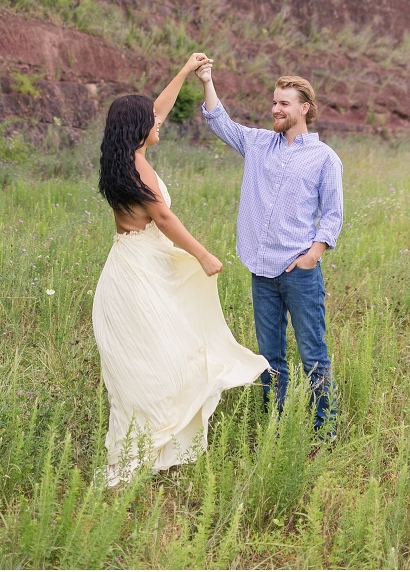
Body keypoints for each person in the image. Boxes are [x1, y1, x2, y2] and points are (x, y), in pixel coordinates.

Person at [92, 52, 268, 486]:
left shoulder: (123, 159)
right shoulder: (140, 171)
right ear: (139, 131)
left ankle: (153, 445)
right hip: (139, 275)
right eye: (151, 120)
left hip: (129, 265)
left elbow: (156, 109)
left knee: (153, 356)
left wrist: (187, 72)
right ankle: (147, 446)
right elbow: (166, 221)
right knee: (162, 356)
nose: (159, 122)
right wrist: (205, 255)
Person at [197, 63, 343, 435]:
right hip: (260, 270)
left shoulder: (325, 158)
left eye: (284, 103)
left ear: (304, 108)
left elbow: (332, 214)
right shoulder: (259, 143)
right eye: (274, 102)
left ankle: (324, 430)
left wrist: (312, 256)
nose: (276, 109)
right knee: (269, 357)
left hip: (300, 273)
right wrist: (207, 81)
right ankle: (274, 426)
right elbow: (219, 121)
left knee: (313, 356)